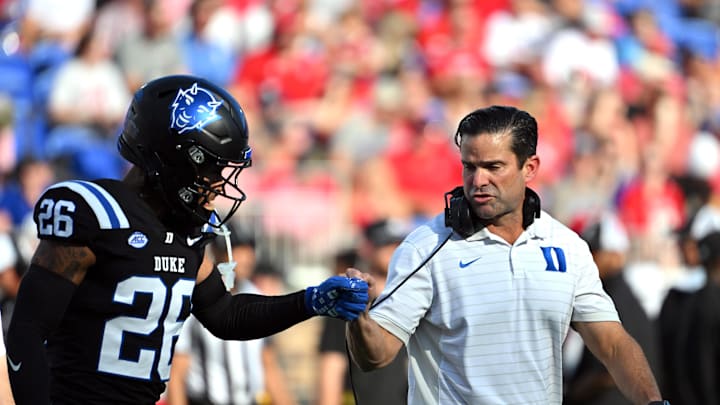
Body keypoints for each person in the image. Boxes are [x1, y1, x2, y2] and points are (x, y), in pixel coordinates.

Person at [4, 75, 369, 405]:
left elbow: (225, 315)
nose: (218, 185)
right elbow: (27, 330)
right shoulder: (94, 212)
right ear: (174, 159)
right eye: (212, 168)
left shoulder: (186, 233)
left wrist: (310, 300)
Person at [345, 105, 668, 404]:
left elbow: (612, 344)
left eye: (493, 167)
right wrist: (358, 316)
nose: (478, 181)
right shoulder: (425, 247)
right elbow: (376, 355)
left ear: (530, 168)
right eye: (469, 167)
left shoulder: (568, 247)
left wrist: (654, 402)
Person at [167, 224, 296, 405]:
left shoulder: (255, 295)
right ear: (218, 253)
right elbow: (177, 371)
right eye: (237, 250)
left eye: (249, 250)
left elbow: (268, 365)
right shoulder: (195, 299)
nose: (246, 259)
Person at [564, 213, 661, 405]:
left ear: (616, 255)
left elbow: (611, 371)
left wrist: (574, 393)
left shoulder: (616, 300)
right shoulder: (605, 292)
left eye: (595, 251)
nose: (589, 258)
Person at [317, 219, 411, 405]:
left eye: (399, 245)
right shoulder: (348, 302)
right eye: (387, 245)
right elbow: (331, 368)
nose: (395, 252)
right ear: (367, 249)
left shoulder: (410, 301)